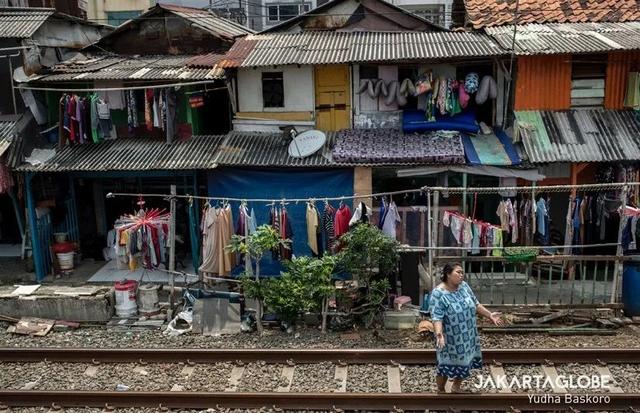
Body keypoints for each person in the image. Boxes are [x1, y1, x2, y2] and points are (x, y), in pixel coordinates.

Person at [429, 262, 503, 393]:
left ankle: (456, 386)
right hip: (450, 337)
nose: (461, 275)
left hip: (467, 334)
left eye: (462, 272)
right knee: (445, 365)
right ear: (448, 274)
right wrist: (439, 334)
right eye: (458, 272)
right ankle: (440, 391)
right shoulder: (438, 293)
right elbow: (437, 317)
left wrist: (489, 315)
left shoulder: (464, 286)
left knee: (465, 361)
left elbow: (475, 304)